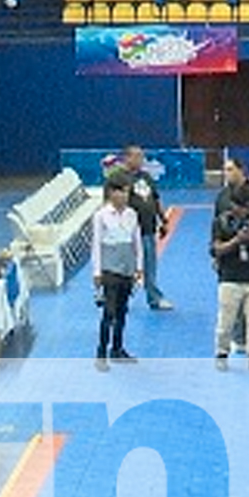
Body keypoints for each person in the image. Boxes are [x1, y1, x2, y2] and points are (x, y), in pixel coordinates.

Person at [107, 145, 173, 310]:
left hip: (148, 229)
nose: (141, 160)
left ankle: (154, 298)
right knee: (124, 267)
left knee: (150, 265)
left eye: (142, 156)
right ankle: (117, 299)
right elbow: (109, 205)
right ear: (127, 158)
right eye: (137, 156)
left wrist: (163, 220)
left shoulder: (146, 177)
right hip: (127, 233)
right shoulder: (116, 178)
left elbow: (155, 198)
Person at [211, 189, 249, 371]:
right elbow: (216, 249)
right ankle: (221, 352)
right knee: (226, 320)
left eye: (247, 207)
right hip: (230, 277)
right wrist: (236, 241)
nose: (244, 210)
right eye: (240, 206)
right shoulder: (221, 222)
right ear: (233, 206)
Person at [91, 178, 143, 367]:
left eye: (127, 192)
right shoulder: (101, 216)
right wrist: (97, 272)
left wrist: (139, 267)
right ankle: (101, 353)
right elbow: (96, 244)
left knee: (122, 311)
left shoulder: (132, 215)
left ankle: (117, 349)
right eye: (121, 192)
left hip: (127, 269)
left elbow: (136, 242)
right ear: (112, 193)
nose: (124, 196)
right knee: (109, 312)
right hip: (110, 270)